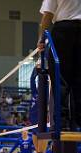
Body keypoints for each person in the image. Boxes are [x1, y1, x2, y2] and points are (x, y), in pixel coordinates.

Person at [37, 0, 81, 130]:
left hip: (64, 30)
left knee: (60, 77)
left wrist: (41, 39)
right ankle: (78, 121)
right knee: (79, 78)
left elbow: (48, 14)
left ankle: (62, 121)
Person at [29, 65, 48, 153]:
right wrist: (35, 69)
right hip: (33, 125)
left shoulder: (46, 96)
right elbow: (32, 80)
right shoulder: (34, 93)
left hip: (42, 126)